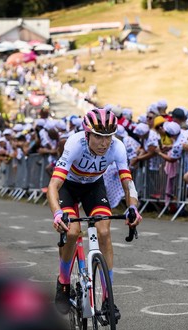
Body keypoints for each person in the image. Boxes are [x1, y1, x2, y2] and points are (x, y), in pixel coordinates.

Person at [47, 108, 142, 318]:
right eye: (99, 136)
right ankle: (63, 283)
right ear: (87, 134)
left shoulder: (117, 147)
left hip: (93, 186)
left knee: (104, 231)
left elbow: (128, 183)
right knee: (72, 233)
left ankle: (108, 299)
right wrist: (57, 214)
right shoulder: (74, 144)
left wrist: (133, 207)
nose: (104, 143)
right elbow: (54, 185)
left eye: (108, 136)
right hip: (68, 187)